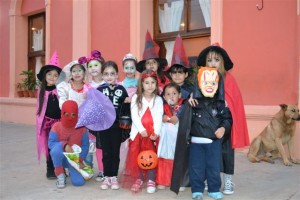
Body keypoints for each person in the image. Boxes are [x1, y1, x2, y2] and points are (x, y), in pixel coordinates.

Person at [171, 67, 232, 200]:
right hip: (196, 144)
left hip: (213, 143)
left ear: (218, 85)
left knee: (213, 167)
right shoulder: (192, 102)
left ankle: (214, 189)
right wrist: (188, 104)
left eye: (213, 83)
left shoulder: (220, 104)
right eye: (205, 83)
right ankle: (197, 189)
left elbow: (227, 119)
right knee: (196, 167)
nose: (209, 86)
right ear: (199, 85)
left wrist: (223, 128)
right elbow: (181, 116)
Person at [196, 43, 250, 195]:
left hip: (224, 122)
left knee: (226, 152)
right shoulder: (201, 78)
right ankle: (210, 179)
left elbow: (234, 102)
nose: (213, 63)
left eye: (216, 60)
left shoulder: (229, 79)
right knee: (208, 151)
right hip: (207, 122)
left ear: (222, 62)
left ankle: (228, 180)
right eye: (209, 60)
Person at [123, 69, 163, 194]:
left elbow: (159, 116)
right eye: (147, 83)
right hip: (139, 134)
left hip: (152, 134)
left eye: (152, 82)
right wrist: (141, 130)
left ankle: (151, 179)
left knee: (151, 156)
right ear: (141, 84)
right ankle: (139, 178)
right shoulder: (136, 98)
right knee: (138, 157)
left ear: (156, 84)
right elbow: (134, 116)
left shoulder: (158, 100)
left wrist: (155, 132)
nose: (150, 85)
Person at [93, 61, 129, 190]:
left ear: (117, 75)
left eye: (112, 74)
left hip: (117, 126)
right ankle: (107, 176)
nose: (109, 76)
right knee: (106, 152)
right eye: (106, 74)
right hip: (104, 126)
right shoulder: (99, 90)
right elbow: (94, 108)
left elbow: (126, 107)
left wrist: (127, 102)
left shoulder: (121, 89)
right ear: (102, 75)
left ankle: (114, 177)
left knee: (115, 152)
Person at [48, 100, 89, 189]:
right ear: (62, 113)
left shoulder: (82, 128)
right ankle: (60, 175)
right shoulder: (56, 126)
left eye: (73, 115)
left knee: (78, 182)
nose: (70, 118)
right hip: (60, 158)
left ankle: (71, 170)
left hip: (74, 160)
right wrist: (65, 145)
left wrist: (79, 160)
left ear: (77, 115)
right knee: (56, 150)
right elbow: (51, 144)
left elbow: (86, 146)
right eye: (66, 114)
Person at [78, 50, 106, 182]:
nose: (93, 68)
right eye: (90, 66)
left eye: (95, 65)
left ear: (102, 66)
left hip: (106, 121)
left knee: (105, 146)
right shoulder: (87, 86)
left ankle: (106, 169)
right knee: (93, 147)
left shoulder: (109, 83)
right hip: (92, 122)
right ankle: (94, 170)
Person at [36, 51, 62, 179]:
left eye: (56, 75)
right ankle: (50, 169)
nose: (52, 77)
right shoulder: (41, 92)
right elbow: (39, 110)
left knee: (60, 145)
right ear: (45, 75)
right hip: (46, 124)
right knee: (49, 147)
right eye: (50, 74)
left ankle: (61, 168)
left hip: (59, 123)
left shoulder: (60, 90)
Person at [156, 83, 185, 189]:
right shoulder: (162, 107)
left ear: (179, 94)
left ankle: (179, 182)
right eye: (168, 94)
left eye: (174, 93)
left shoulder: (184, 106)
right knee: (165, 158)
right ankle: (163, 180)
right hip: (166, 139)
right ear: (163, 96)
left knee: (179, 159)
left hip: (178, 138)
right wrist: (162, 117)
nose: (171, 97)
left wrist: (178, 117)